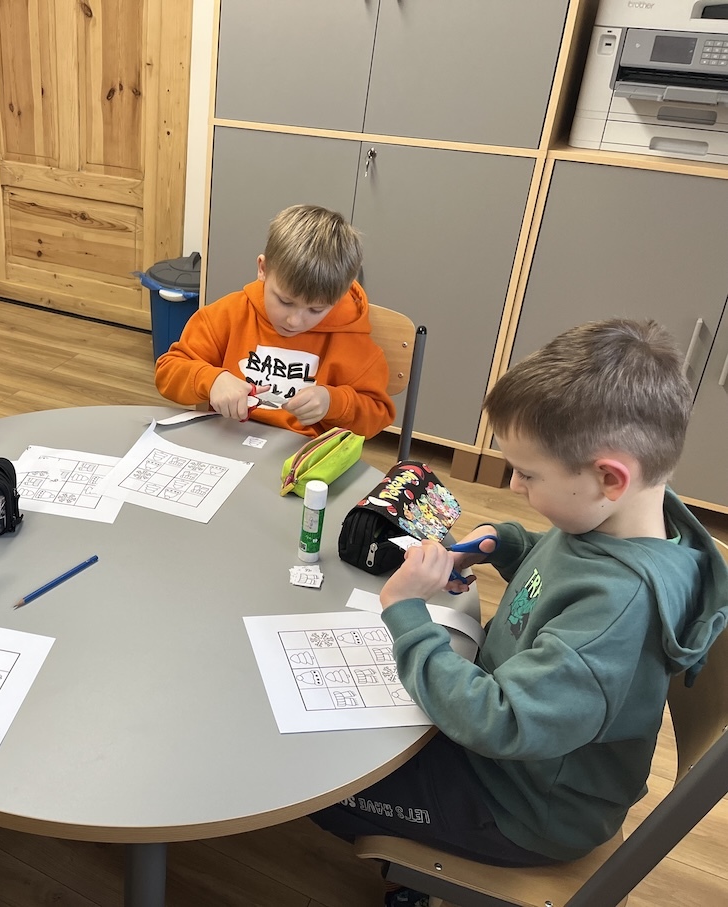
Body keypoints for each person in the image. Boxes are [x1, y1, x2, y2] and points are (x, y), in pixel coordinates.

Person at [311, 319, 728, 907]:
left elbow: (501, 721)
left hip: (521, 807)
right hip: (512, 761)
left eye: (528, 474)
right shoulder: (623, 520)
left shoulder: (617, 612)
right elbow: (564, 567)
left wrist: (406, 614)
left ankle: (421, 870)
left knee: (320, 785)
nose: (512, 483)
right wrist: (507, 544)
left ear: (609, 478)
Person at [154, 204, 394, 439]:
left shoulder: (352, 343)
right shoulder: (228, 314)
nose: (294, 320)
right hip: (225, 438)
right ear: (263, 269)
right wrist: (212, 380)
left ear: (339, 296)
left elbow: (376, 415)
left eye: (315, 309)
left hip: (299, 455)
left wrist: (334, 403)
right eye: (285, 301)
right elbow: (168, 371)